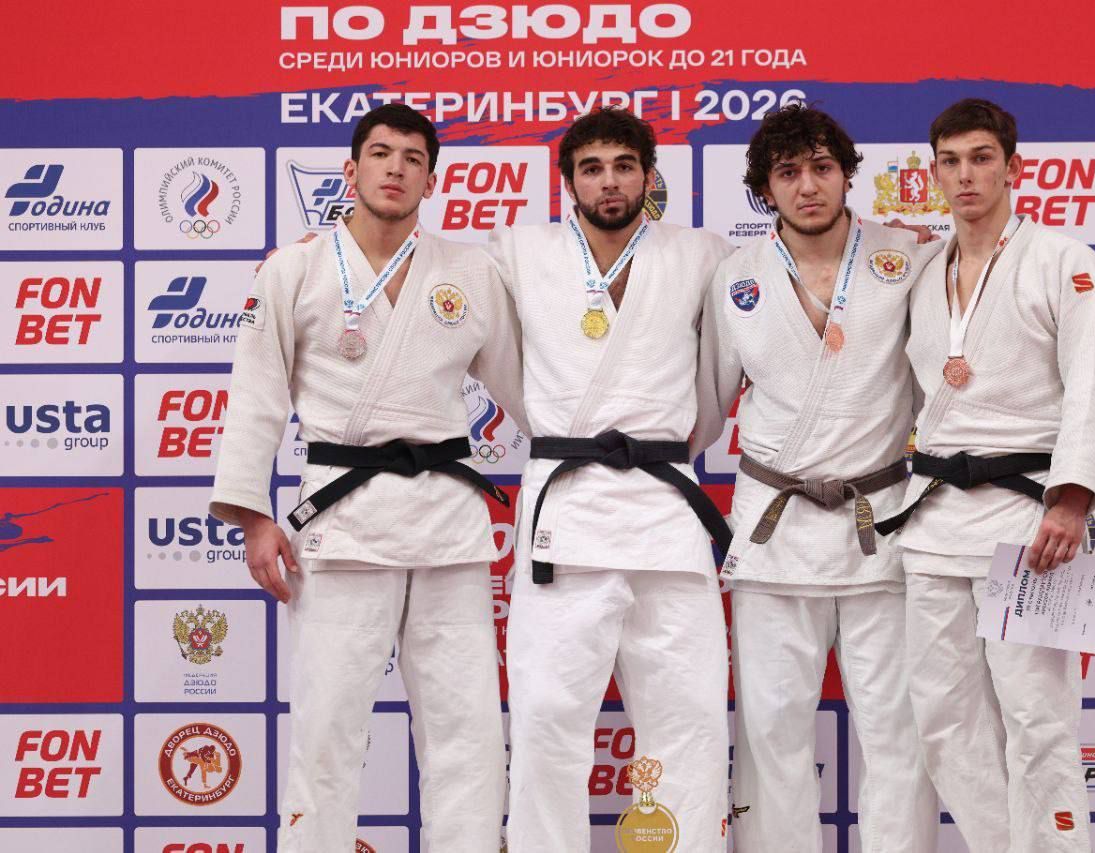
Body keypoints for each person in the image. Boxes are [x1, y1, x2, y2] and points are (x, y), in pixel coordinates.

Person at [210, 103, 524, 852]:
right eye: (381, 154)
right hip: (343, 523)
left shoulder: (471, 272)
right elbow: (256, 397)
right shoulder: (295, 269)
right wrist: (253, 516)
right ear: (351, 170)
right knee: (328, 731)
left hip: (448, 525)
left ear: (431, 180)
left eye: (413, 159)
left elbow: (527, 391)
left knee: (468, 732)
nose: (396, 169)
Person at [875, 98, 1095, 851]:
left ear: (1013, 167)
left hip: (1030, 522)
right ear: (933, 173)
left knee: (1038, 719)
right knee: (942, 720)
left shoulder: (1063, 260)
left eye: (981, 158)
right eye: (950, 161)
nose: (966, 175)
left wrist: (1071, 500)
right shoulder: (923, 270)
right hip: (934, 520)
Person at [487, 107, 735, 852]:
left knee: (690, 717)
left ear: (648, 176)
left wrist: (666, 446)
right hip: (566, 516)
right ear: (568, 181)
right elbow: (469, 326)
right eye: (591, 168)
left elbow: (721, 374)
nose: (609, 182)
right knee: (545, 718)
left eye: (624, 166)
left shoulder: (701, 255)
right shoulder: (518, 251)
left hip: (665, 511)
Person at [703, 104, 942, 852]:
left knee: (898, 731)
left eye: (822, 167)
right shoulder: (734, 277)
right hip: (774, 534)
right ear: (765, 189)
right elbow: (706, 406)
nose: (808, 186)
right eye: (788, 172)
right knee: (771, 732)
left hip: (882, 525)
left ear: (846, 174)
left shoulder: (911, 257)